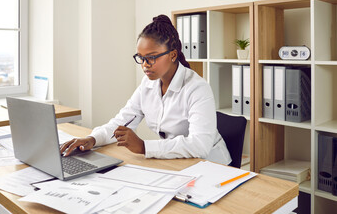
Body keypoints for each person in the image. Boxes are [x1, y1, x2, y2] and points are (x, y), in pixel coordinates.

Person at [61, 14, 232, 165]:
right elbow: (121, 122)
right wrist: (92, 139)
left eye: (151, 58)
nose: (144, 65)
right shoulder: (147, 85)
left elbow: (199, 145)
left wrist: (144, 146)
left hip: (211, 166)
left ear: (172, 55)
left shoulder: (197, 88)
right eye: (141, 58)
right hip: (177, 162)